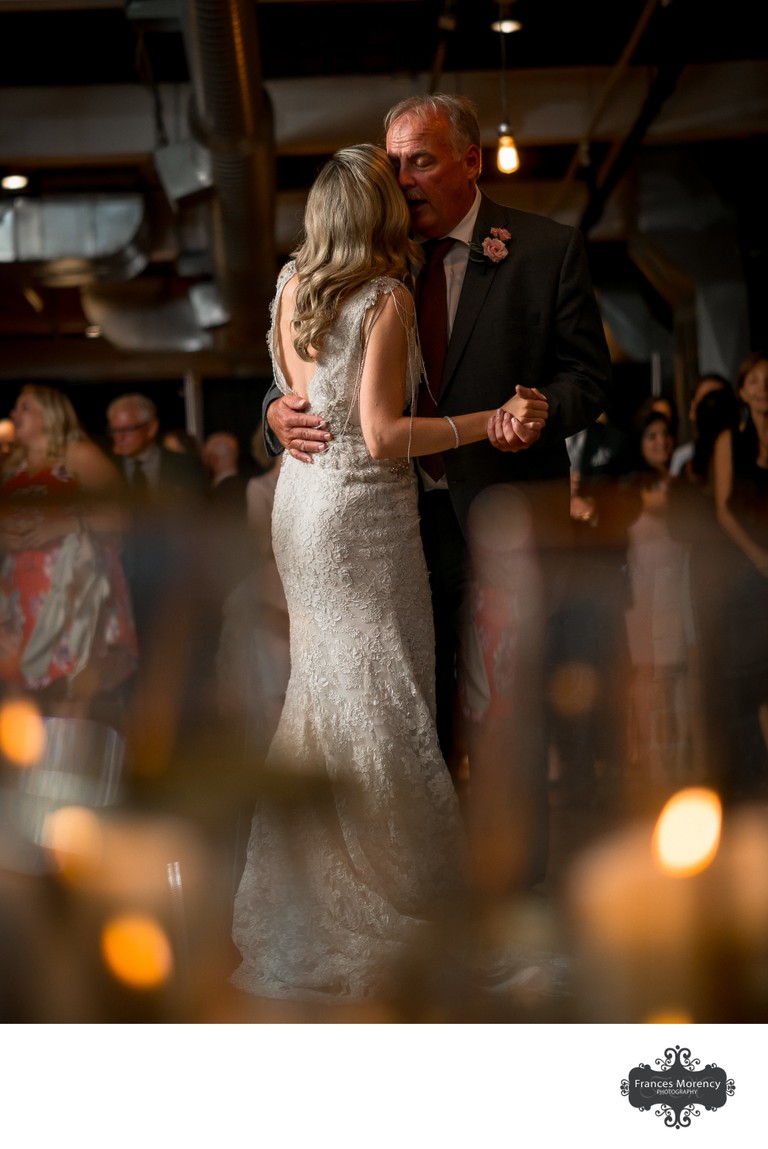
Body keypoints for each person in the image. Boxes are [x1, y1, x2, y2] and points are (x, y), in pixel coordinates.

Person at [262, 93, 612, 889]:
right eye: (392, 163)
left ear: (470, 161)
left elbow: (591, 378)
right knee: (411, 712)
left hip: (500, 521)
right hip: (387, 529)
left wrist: (544, 409)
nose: (404, 179)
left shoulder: (543, 248)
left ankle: (515, 887)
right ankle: (432, 882)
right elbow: (314, 379)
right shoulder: (374, 262)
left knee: (509, 718)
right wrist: (273, 411)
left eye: (420, 160)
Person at [230, 141, 551, 1004]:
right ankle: (400, 892)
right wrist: (490, 421)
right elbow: (378, 434)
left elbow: (300, 396)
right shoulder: (385, 297)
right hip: (363, 520)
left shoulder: (292, 286)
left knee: (328, 690)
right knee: (385, 694)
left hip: (303, 510)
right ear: (374, 210)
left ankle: (313, 890)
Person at [0, 385, 138, 724]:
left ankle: (69, 766)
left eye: (24, 407)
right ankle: (28, 772)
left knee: (69, 689)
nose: (14, 414)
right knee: (21, 693)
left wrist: (64, 525)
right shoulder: (11, 466)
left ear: (50, 413)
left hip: (72, 590)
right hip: (18, 591)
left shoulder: (78, 455)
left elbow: (122, 516)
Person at [712, 350, 768, 797]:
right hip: (749, 567)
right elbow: (723, 509)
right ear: (743, 390)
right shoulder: (730, 440)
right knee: (757, 674)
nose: (764, 388)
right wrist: (757, 556)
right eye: (756, 381)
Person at [670, 373, 731, 478]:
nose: (713, 408)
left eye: (719, 400)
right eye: (705, 401)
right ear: (693, 411)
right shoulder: (683, 457)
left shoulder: (748, 450)